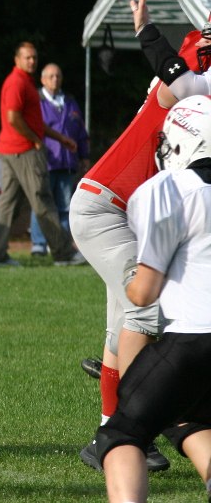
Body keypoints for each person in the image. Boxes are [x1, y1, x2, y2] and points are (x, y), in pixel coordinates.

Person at [73, 0, 209, 473]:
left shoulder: (192, 80)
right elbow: (178, 76)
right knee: (147, 307)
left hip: (121, 205)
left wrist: (148, 30)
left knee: (126, 321)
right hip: (108, 206)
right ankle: (136, 423)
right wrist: (149, 33)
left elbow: (177, 72)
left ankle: (111, 435)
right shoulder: (192, 85)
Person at [95, 94, 211, 503]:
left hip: (194, 341)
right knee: (192, 420)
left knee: (121, 433)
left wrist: (131, 280)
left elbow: (144, 292)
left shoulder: (168, 189)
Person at [0, 41, 86, 268]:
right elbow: (13, 118)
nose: (32, 61)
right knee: (43, 199)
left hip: (10, 150)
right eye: (27, 57)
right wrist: (36, 140)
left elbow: (33, 121)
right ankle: (63, 253)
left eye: (34, 58)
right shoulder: (17, 82)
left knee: (7, 203)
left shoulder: (26, 82)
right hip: (24, 151)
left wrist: (59, 138)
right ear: (17, 59)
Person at [28, 64, 90, 256]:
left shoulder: (70, 102)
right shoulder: (37, 101)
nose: (55, 79)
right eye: (51, 76)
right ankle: (39, 244)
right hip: (45, 161)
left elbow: (80, 131)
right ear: (43, 79)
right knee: (41, 204)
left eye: (58, 76)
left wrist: (84, 156)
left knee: (64, 206)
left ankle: (61, 243)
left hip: (67, 163)